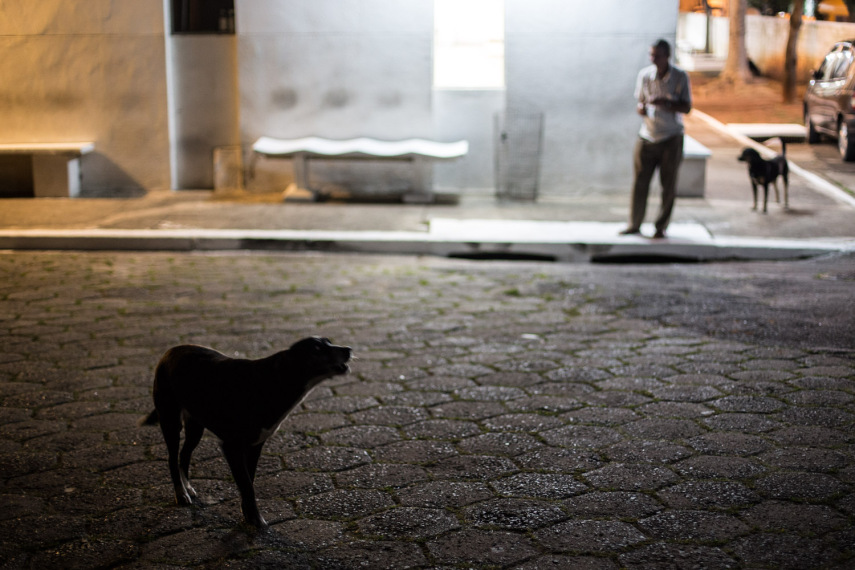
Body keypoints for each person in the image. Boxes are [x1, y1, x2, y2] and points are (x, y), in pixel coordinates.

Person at [620, 39, 692, 239]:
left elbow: (687, 107)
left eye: (657, 55)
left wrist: (667, 103)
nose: (653, 59)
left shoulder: (679, 76)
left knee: (668, 184)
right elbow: (640, 102)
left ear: (667, 56)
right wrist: (641, 109)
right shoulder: (645, 75)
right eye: (651, 55)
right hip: (647, 134)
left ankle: (661, 226)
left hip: (671, 136)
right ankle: (634, 223)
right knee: (640, 182)